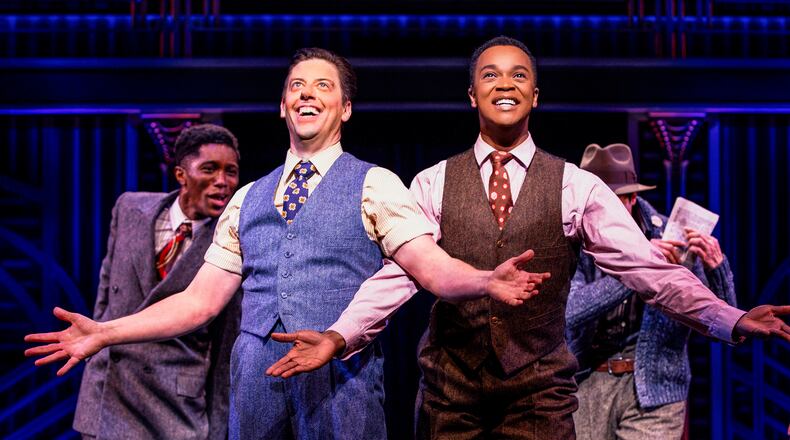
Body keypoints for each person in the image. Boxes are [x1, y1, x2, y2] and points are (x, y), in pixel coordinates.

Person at [264, 36, 790, 439]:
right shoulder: (431, 182)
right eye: (490, 75)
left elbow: (647, 270)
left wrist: (732, 318)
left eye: (519, 75)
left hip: (540, 394)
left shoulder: (576, 185)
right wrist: (338, 337)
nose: (505, 84)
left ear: (535, 95)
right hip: (450, 394)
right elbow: (397, 276)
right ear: (473, 95)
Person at [24, 47, 546, 440]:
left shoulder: (374, 183)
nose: (307, 93)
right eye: (297, 85)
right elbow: (198, 301)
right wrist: (106, 332)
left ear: (344, 108)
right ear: (282, 106)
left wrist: (484, 279)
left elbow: (429, 269)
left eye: (322, 86)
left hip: (341, 383)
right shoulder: (247, 196)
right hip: (255, 385)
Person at [71, 124, 242, 439]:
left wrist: (219, 430)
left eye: (230, 172)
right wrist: (96, 371)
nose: (222, 182)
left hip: (177, 407)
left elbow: (226, 344)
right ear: (181, 175)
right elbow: (106, 296)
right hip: (111, 397)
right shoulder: (130, 208)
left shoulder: (233, 239)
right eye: (210, 169)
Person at [565, 142, 737, 439]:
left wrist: (716, 267)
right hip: (587, 385)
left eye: (607, 201)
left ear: (631, 198)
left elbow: (719, 323)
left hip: (656, 388)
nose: (596, 212)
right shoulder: (571, 242)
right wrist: (639, 267)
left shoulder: (672, 237)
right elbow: (568, 311)